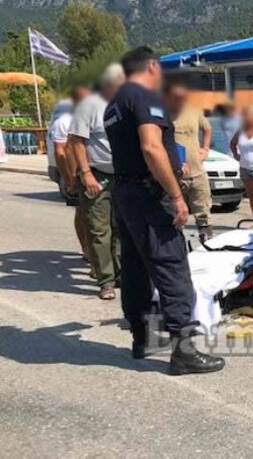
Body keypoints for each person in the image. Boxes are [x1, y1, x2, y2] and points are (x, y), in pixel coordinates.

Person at [104, 46, 224, 374]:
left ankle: (141, 337)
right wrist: (176, 195)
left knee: (135, 268)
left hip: (126, 193)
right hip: (149, 195)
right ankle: (184, 352)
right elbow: (151, 146)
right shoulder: (144, 96)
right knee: (172, 267)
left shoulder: (115, 103)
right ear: (152, 67)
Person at [70, 65, 124, 300]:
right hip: (97, 175)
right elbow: (77, 142)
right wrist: (86, 174)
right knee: (99, 230)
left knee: (120, 228)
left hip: (123, 176)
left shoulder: (124, 104)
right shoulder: (89, 106)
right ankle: (106, 280)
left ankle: (121, 274)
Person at [162, 80, 213, 242]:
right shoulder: (162, 114)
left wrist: (205, 149)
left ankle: (207, 244)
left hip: (197, 172)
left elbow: (207, 128)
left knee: (203, 215)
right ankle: (179, 248)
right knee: (176, 216)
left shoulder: (193, 109)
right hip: (175, 176)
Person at [51, 86, 92, 263]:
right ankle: (87, 250)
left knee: (98, 215)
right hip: (76, 173)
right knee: (82, 212)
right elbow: (60, 152)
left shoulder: (96, 116)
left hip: (97, 170)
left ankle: (97, 253)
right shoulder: (64, 122)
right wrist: (69, 178)